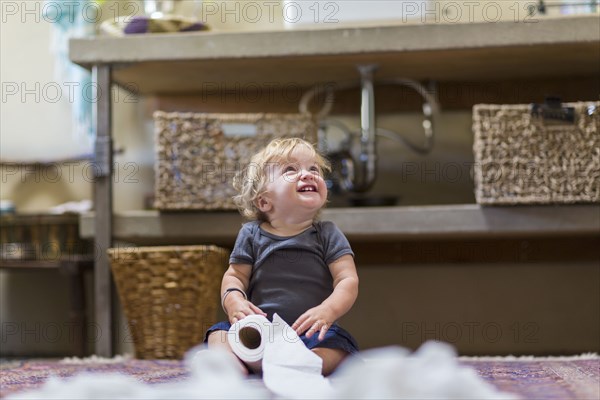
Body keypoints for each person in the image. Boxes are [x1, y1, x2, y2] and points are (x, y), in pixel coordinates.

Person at [205, 137, 359, 376]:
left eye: (313, 169)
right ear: (264, 201)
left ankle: (305, 364)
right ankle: (232, 368)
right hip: (259, 331)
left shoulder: (327, 234)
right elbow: (235, 276)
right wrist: (234, 301)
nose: (307, 174)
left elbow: (347, 280)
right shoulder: (251, 234)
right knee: (219, 334)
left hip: (310, 335)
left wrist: (328, 311)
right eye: (291, 169)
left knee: (339, 346)